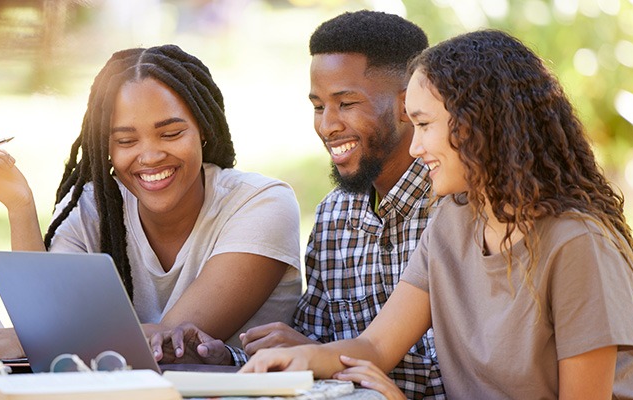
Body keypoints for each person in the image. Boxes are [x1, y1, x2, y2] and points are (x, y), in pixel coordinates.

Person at [241, 30, 633, 399]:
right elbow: (375, 348)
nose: (416, 147)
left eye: (424, 125)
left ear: (476, 125)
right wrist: (298, 359)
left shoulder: (577, 245)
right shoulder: (452, 220)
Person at [0, 44, 303, 366]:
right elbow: (44, 319)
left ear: (203, 130)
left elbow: (172, 339)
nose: (151, 155)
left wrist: (30, 340)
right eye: (125, 141)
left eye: (170, 133)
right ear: (104, 148)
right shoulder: (91, 209)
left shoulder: (261, 204)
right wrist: (19, 205)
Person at [177, 10, 447, 397]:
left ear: (407, 105)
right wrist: (229, 362)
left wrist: (324, 359)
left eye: (346, 103)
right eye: (319, 107)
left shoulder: (455, 209)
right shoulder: (334, 216)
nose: (326, 126)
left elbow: (464, 374)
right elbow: (309, 344)